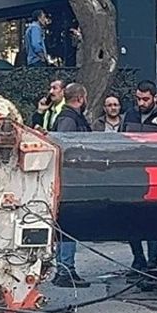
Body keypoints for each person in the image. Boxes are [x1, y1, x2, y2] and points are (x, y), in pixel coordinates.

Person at [120, 81, 157, 272]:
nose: (141, 103)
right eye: (138, 98)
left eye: (145, 99)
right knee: (131, 220)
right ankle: (138, 258)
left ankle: (153, 260)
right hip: (132, 176)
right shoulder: (130, 115)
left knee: (154, 220)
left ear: (154, 97)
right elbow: (120, 140)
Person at [50, 83, 92, 287]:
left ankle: (65, 269)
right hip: (71, 179)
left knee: (66, 225)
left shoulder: (68, 116)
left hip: (69, 178)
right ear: (81, 98)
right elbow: (65, 146)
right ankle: (65, 270)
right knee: (69, 224)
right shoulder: (69, 119)